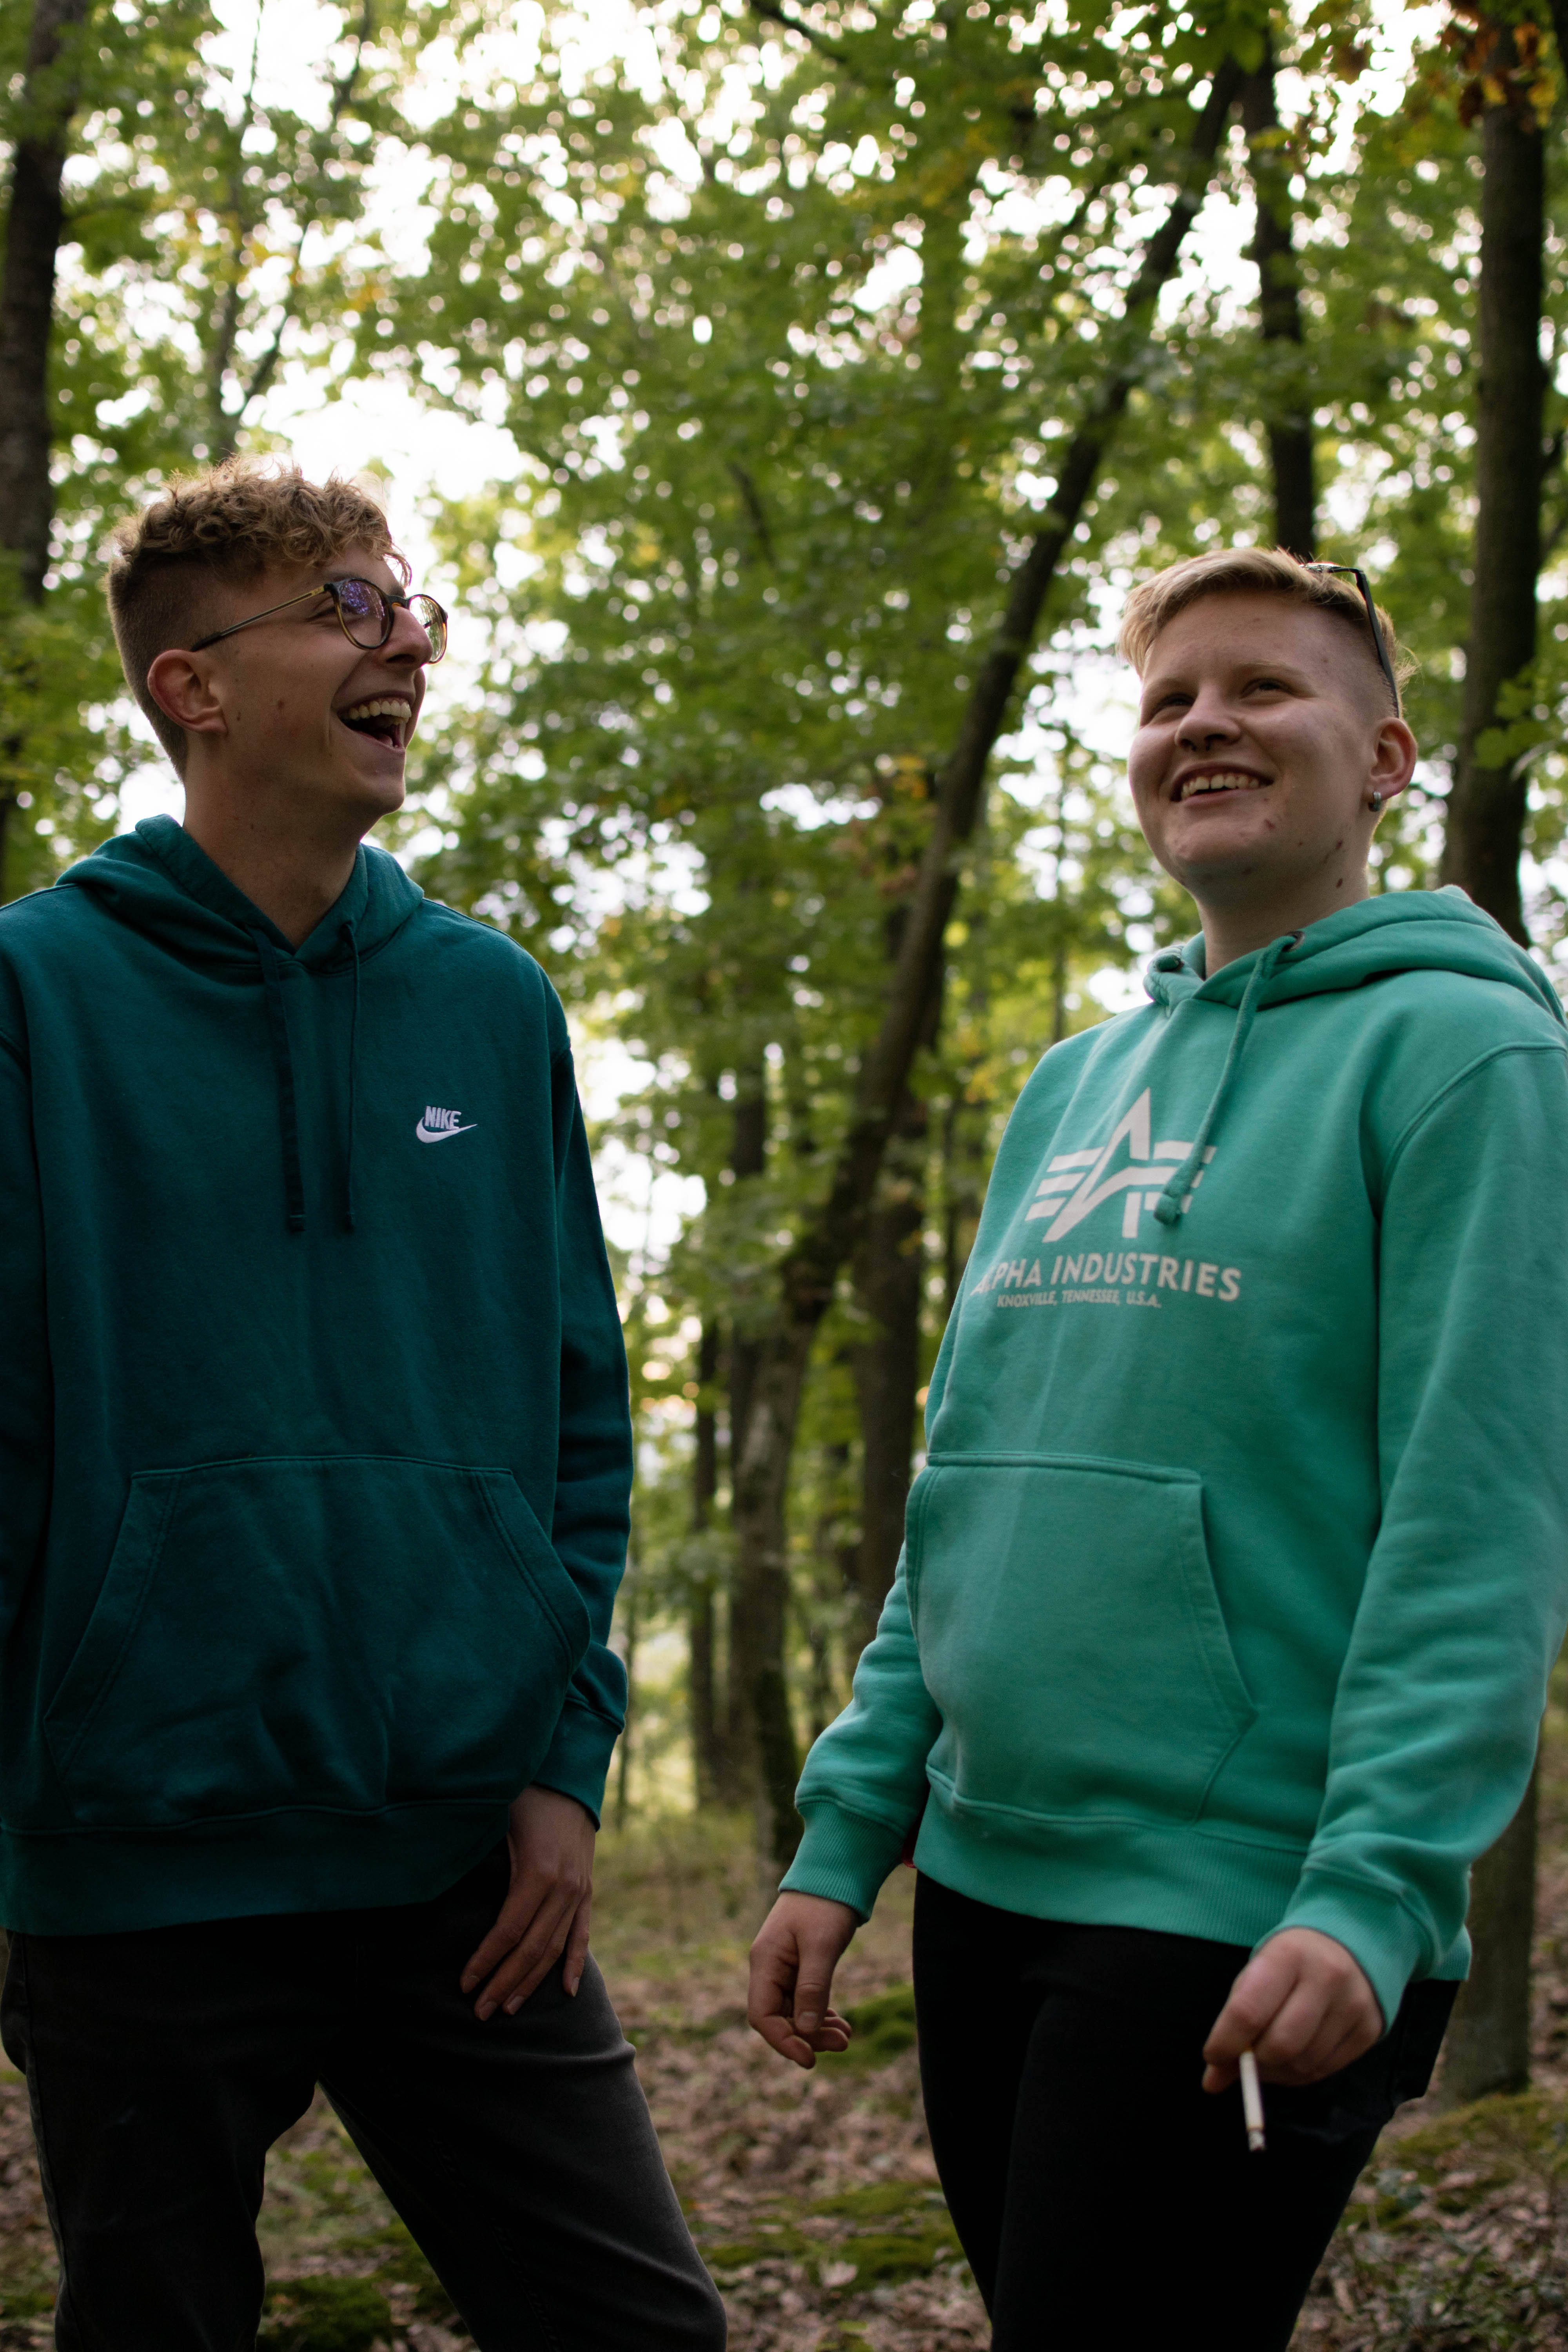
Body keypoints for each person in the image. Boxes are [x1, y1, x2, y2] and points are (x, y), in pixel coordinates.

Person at [748, 547, 1568, 2350]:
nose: (1203, 723)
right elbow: (964, 1486)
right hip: (982, 1884)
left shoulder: (1467, 1058)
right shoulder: (1070, 1085)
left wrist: (1373, 1893)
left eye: (1262, 687)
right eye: (1166, 699)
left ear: (1385, 758)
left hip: (1247, 1906)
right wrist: (850, 1822)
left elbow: (1478, 1519)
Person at [0, 457, 725, 2352]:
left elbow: (577, 1414)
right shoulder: (33, 991)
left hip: (460, 1859)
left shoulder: (490, 1003)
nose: (406, 641)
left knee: (641, 2332)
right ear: (191, 688)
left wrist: (564, 1761)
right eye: (345, 606)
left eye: (410, 606)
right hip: (132, 1854)